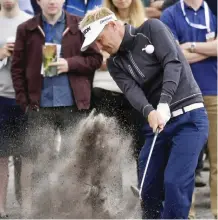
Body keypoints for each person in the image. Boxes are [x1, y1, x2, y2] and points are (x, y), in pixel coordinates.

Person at [79, 7, 209, 219]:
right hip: (158, 123)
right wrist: (149, 111)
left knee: (174, 182)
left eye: (100, 39)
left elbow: (172, 63)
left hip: (190, 119)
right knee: (147, 186)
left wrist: (165, 102)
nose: (100, 47)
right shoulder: (115, 63)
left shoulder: (151, 28)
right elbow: (132, 91)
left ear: (112, 25)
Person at [11, 0, 102, 217]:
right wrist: (24, 102)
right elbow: (17, 68)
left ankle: (71, 210)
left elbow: (96, 59)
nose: (52, 1)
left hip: (72, 104)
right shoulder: (26, 28)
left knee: (74, 160)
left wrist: (69, 64)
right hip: (39, 105)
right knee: (38, 160)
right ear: (38, 1)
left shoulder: (79, 25)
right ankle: (41, 211)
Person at [160, 0, 217, 218]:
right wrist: (209, 50)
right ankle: (187, 212)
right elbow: (174, 54)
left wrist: (190, 46)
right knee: (186, 161)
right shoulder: (169, 14)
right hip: (183, 96)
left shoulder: (215, 9)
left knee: (217, 161)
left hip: (213, 91)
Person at [93, 0, 146, 160]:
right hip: (104, 89)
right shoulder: (97, 22)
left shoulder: (145, 24)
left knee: (141, 146)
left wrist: (113, 57)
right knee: (108, 150)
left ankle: (144, 185)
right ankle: (112, 186)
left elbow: (146, 60)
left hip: (136, 92)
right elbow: (94, 58)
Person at [0, 0, 31, 217]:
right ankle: (0, 206)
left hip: (25, 98)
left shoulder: (30, 23)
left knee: (26, 155)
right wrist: (1, 54)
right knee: (1, 156)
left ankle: (26, 204)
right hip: (0, 96)